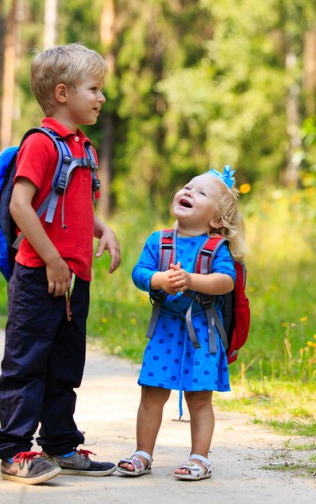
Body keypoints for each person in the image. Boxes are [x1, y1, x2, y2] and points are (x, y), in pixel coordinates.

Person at [0, 43, 121, 485]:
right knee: (26, 363)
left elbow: (74, 206)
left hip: (72, 277)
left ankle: (60, 444)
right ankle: (14, 451)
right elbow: (21, 207)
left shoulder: (83, 148)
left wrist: (103, 231)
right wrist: (51, 259)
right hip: (38, 273)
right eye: (94, 89)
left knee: (65, 365)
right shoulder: (42, 145)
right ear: (63, 93)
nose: (102, 98)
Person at [116, 167, 246, 481]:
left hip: (202, 331)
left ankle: (199, 458)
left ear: (216, 219)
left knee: (200, 397)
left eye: (201, 193)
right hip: (166, 330)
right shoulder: (158, 240)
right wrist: (160, 280)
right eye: (187, 187)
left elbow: (226, 281)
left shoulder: (216, 248)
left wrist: (191, 280)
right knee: (152, 392)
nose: (188, 192)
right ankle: (142, 453)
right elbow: (139, 273)